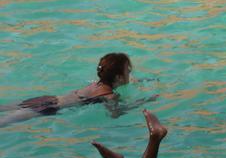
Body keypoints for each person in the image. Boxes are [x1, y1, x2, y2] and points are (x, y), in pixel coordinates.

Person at [1, 53, 132, 125]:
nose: (130, 73)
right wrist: (143, 102)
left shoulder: (95, 84)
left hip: (47, 99)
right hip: (49, 108)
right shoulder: (110, 96)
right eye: (128, 71)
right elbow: (114, 115)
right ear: (119, 77)